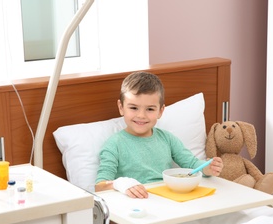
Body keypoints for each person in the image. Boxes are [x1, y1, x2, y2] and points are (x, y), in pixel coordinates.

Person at [95, 71, 223, 198]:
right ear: (121, 107)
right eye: (133, 108)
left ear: (161, 111)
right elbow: (99, 186)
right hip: (136, 205)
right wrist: (121, 184)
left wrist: (207, 168)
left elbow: (191, 164)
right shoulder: (114, 144)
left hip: (168, 200)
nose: (141, 115)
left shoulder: (167, 139)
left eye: (150, 109)